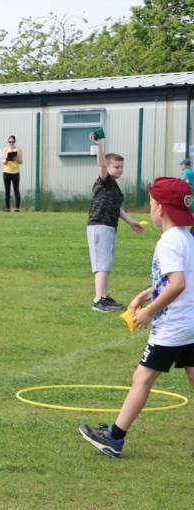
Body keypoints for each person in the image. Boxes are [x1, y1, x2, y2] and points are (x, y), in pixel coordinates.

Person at [79, 177, 194, 458]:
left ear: (161, 209)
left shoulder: (168, 242)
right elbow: (179, 280)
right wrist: (145, 294)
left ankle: (114, 438)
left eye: (152, 204)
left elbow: (178, 284)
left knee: (142, 378)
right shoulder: (187, 237)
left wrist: (148, 311)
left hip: (173, 326)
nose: (150, 209)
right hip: (190, 322)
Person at [86, 132, 144, 312]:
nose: (120, 169)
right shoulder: (105, 181)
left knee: (107, 263)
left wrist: (131, 222)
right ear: (108, 166)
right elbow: (101, 165)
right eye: (116, 167)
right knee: (102, 264)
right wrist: (99, 147)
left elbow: (116, 208)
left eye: (121, 167)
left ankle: (104, 296)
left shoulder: (113, 185)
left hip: (110, 226)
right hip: (99, 225)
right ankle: (98, 301)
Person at [3, 136, 23, 211]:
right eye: (10, 142)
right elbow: (3, 162)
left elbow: (21, 162)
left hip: (15, 172)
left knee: (16, 190)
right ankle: (7, 208)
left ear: (15, 142)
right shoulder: (5, 150)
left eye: (12, 141)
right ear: (8, 142)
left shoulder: (18, 150)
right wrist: (6, 159)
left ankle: (17, 208)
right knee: (7, 190)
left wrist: (16, 159)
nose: (11, 143)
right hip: (6, 171)